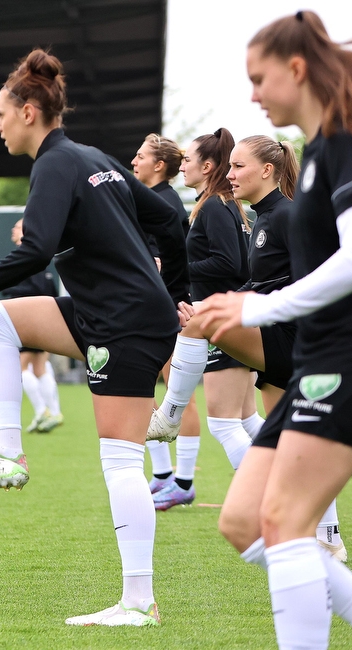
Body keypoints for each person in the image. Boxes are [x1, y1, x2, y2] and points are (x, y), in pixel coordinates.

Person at [0, 48, 188, 627]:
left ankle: (138, 603)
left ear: (29, 111)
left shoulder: (57, 163)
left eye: (0, 115)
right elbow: (171, 223)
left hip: (124, 320)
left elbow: (36, 250)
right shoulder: (90, 156)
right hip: (106, 311)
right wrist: (169, 289)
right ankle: (6, 452)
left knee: (121, 460)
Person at [198, 12, 352, 647]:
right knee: (244, 522)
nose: (253, 95)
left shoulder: (344, 140)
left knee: (287, 524)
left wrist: (255, 308)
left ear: (296, 70)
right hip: (314, 365)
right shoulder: (321, 151)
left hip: (345, 359)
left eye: (259, 78)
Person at [165, 133, 347, 562]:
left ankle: (169, 415)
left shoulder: (286, 216)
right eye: (229, 167)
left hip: (292, 338)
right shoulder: (262, 218)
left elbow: (311, 281)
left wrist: (223, 309)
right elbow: (260, 282)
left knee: (202, 324)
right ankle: (329, 538)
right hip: (278, 338)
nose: (230, 175)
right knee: (292, 440)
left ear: (268, 170)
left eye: (238, 167)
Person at [147, 128, 255, 511]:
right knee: (250, 422)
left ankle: (274, 497)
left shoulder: (214, 205)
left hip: (225, 323)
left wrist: (178, 265)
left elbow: (232, 263)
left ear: (207, 166)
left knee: (224, 425)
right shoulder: (220, 204)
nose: (184, 165)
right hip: (229, 318)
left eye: (189, 160)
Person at [131, 134, 203, 488]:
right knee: (149, 390)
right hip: (157, 309)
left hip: (169, 310)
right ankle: (163, 476)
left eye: (140, 156)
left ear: (159, 165)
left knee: (177, 397)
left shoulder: (165, 203)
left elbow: (164, 261)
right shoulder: (151, 199)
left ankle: (183, 483)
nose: (133, 161)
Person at [0, 219, 63, 433]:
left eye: (16, 227)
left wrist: (8, 291)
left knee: (20, 368)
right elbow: (51, 291)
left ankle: (41, 410)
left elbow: (25, 287)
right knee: (40, 368)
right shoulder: (42, 258)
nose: (13, 230)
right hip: (45, 320)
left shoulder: (24, 255)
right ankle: (54, 412)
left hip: (28, 320)